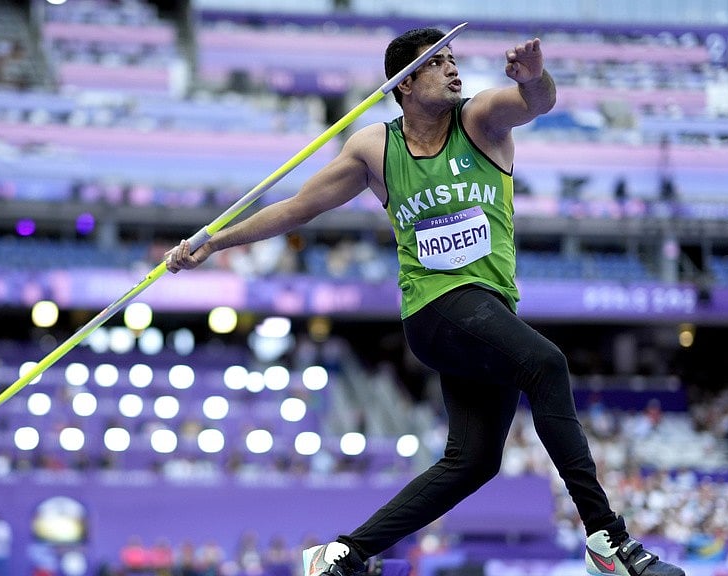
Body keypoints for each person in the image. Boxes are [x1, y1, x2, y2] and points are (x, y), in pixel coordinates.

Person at [165, 28, 684, 576]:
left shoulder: (480, 119)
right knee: (546, 363)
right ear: (405, 83)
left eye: (454, 60)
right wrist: (213, 243)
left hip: (489, 311)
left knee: (475, 461)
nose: (454, 70)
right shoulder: (374, 148)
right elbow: (297, 208)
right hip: (435, 310)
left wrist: (534, 77)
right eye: (438, 64)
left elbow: (538, 102)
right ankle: (608, 537)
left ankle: (343, 554)